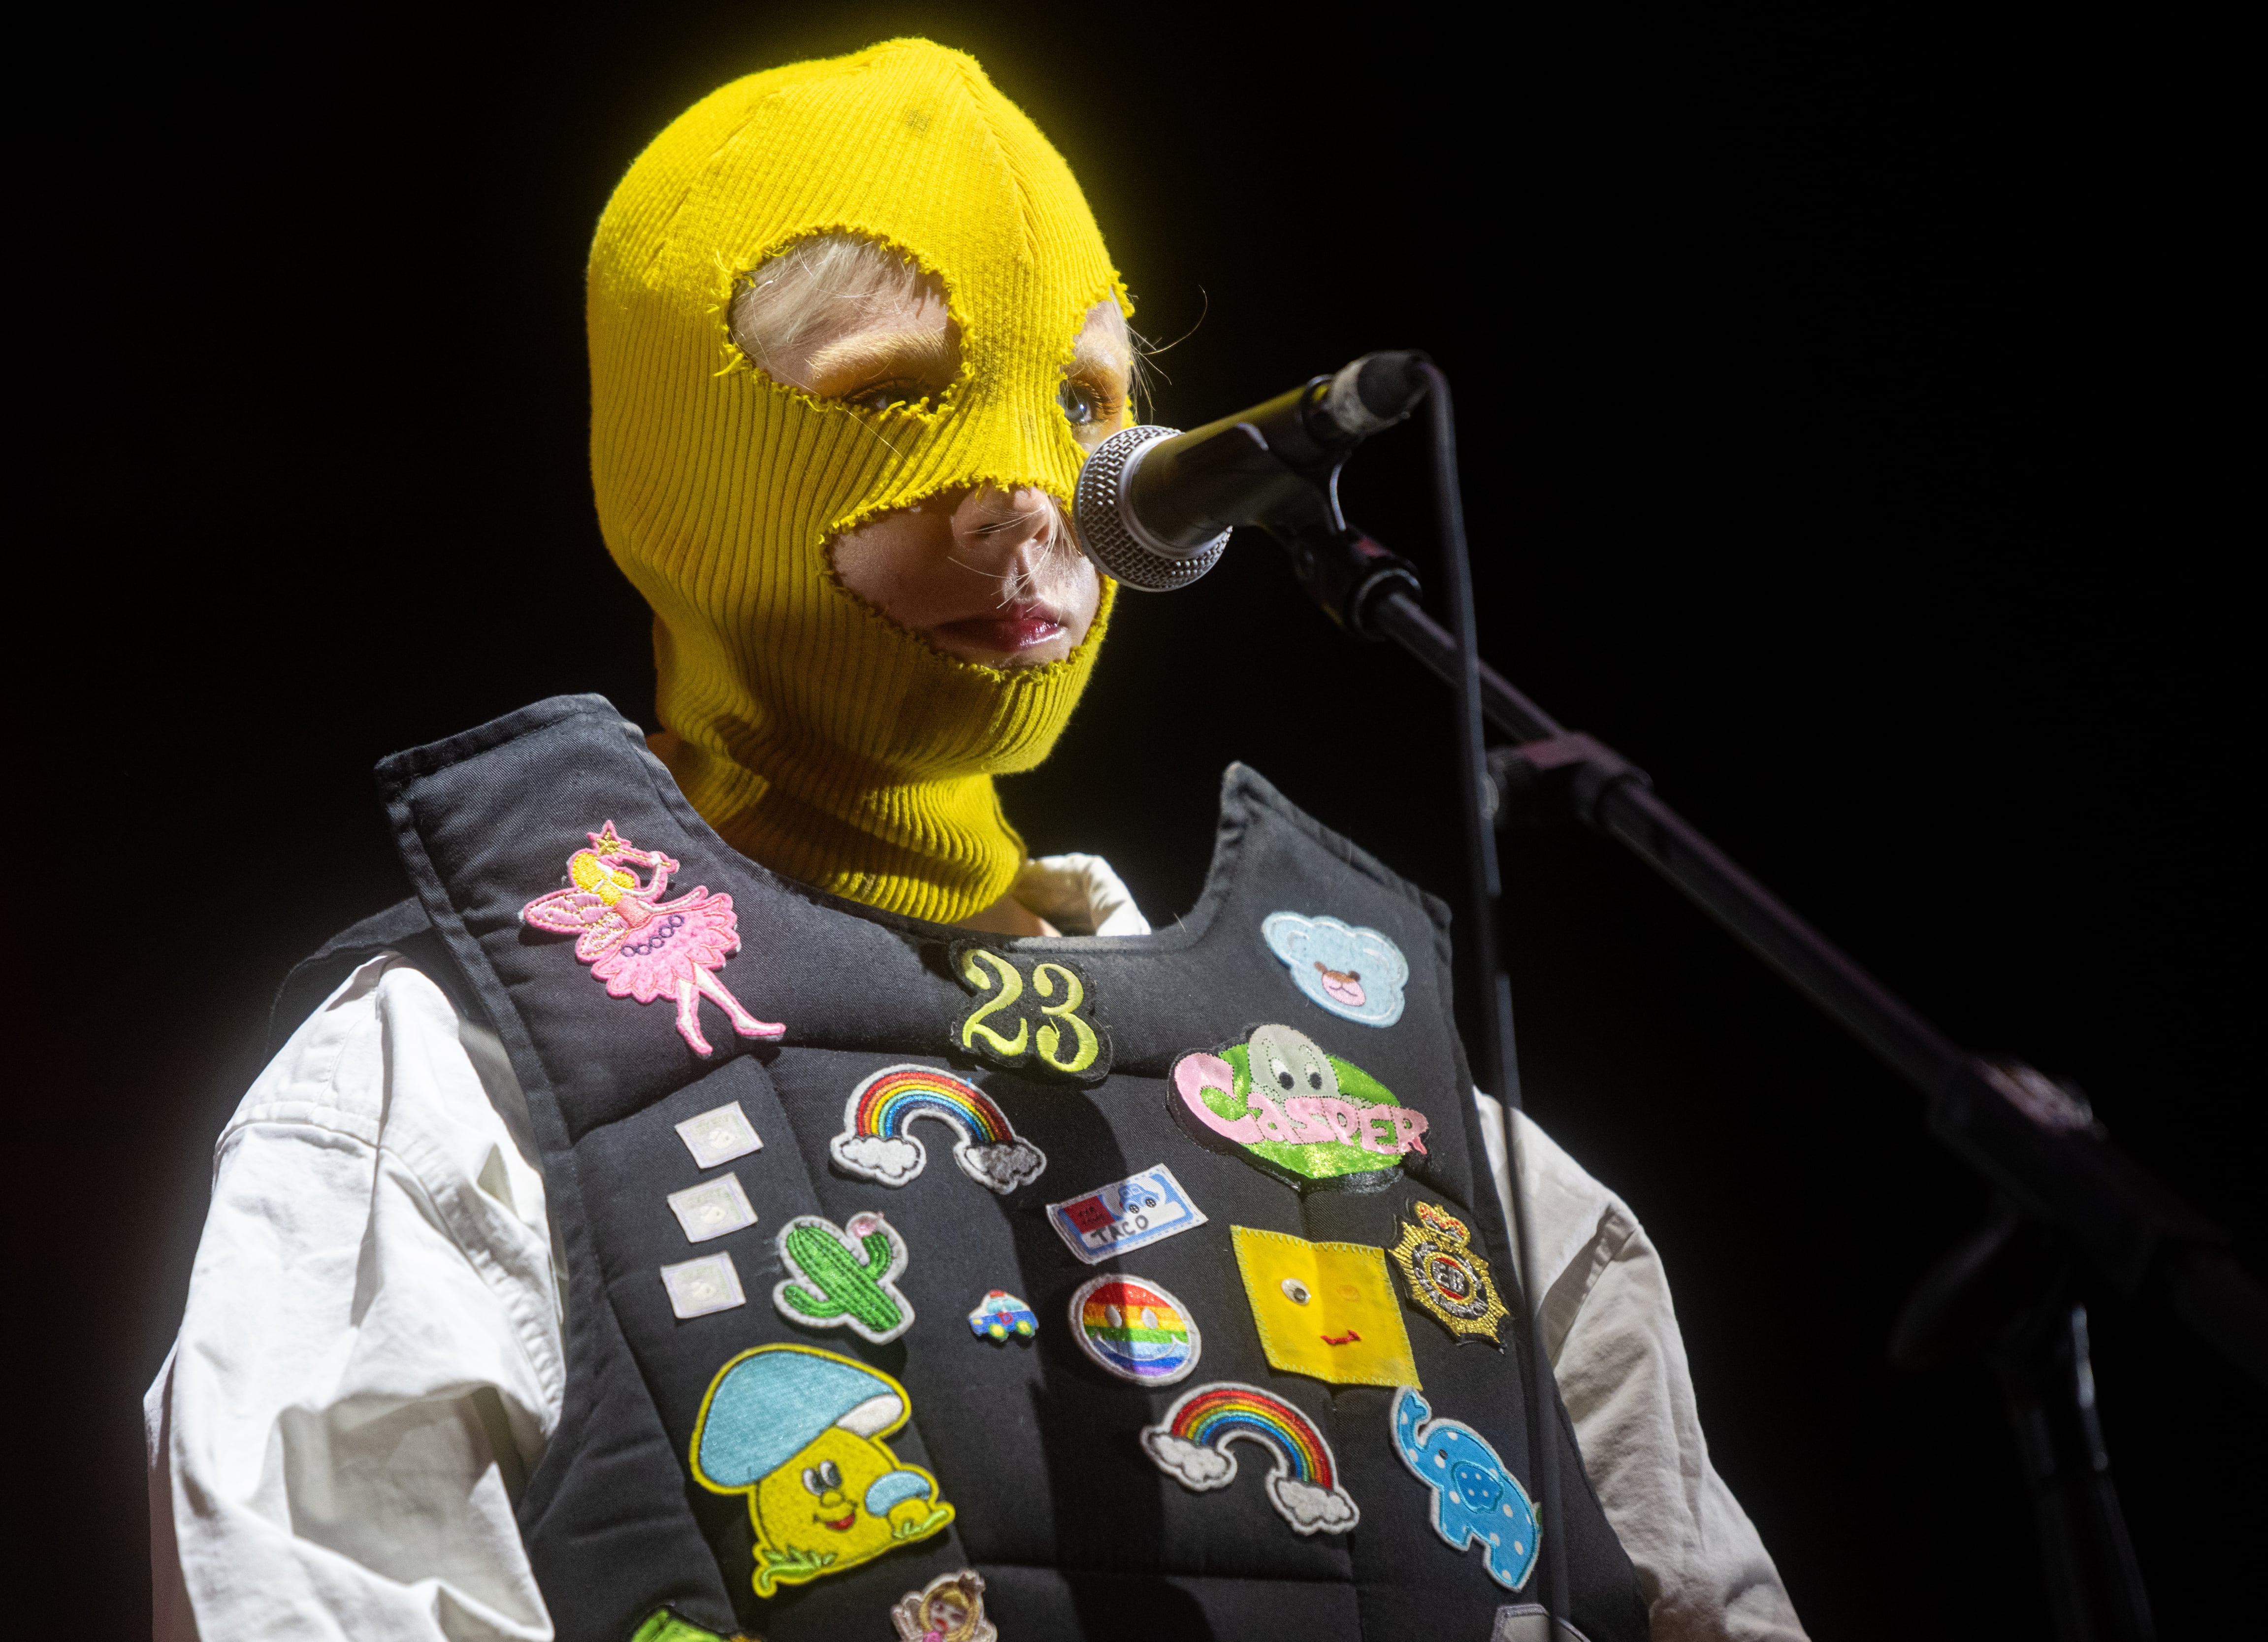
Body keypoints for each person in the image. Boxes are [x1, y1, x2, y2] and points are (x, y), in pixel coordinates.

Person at [145, 39, 1807, 1642]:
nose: (1027, 496)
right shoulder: (444, 1078)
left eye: (1084, 400)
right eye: (891, 393)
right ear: (679, 458)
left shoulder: (1408, 1108)